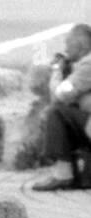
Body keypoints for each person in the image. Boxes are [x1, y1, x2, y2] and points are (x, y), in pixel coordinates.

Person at [33, 24, 91, 191]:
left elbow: (61, 94)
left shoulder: (88, 65)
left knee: (56, 113)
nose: (65, 48)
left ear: (79, 46)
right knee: (65, 113)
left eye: (67, 43)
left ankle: (62, 175)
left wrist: (57, 71)